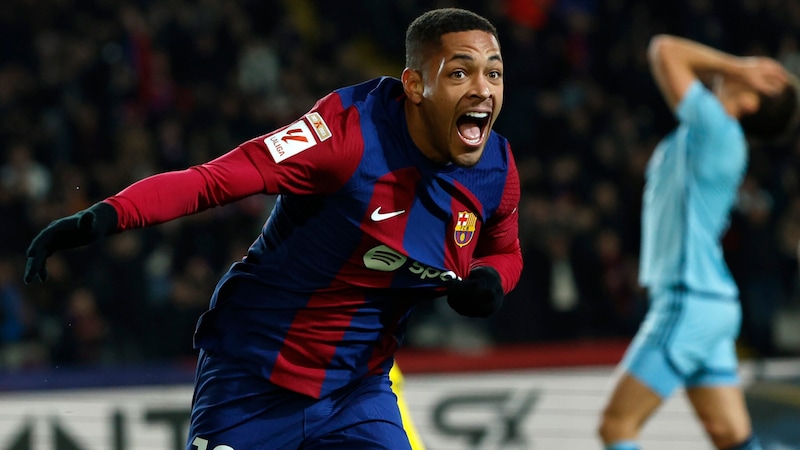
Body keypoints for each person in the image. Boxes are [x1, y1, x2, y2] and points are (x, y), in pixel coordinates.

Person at [24, 7, 522, 450]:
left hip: (357, 391)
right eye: (460, 72)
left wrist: (492, 279)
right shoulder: (343, 136)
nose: (483, 88)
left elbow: (506, 251)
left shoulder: (495, 169)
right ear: (415, 85)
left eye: (494, 74)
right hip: (251, 379)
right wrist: (101, 217)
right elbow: (212, 181)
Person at [598, 35, 799, 450]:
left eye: (757, 74)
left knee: (618, 426)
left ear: (752, 103)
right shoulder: (713, 133)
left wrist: (738, 67)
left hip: (688, 299)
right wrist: (738, 70)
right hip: (711, 301)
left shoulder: (717, 129)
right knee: (731, 437)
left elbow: (664, 50)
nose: (748, 66)